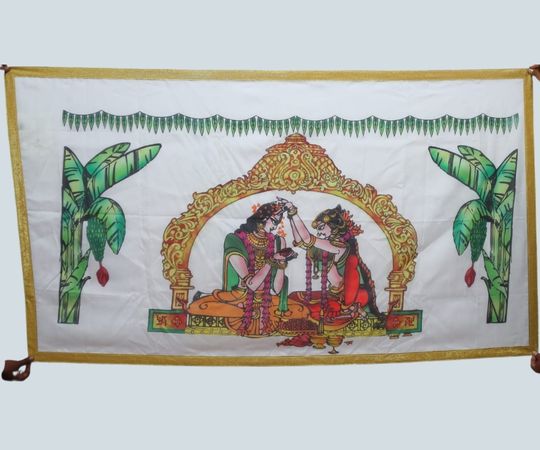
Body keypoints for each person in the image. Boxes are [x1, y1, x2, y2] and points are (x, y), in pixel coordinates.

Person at [188, 201, 308, 336]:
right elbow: (251, 285)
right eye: (274, 221)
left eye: (279, 221)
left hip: (267, 299)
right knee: (201, 307)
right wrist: (272, 260)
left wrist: (281, 261)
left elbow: (277, 289)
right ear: (262, 219)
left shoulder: (278, 242)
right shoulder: (234, 240)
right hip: (239, 297)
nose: (276, 226)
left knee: (300, 310)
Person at [283, 200, 385, 330]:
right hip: (335, 295)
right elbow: (300, 240)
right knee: (294, 297)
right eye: (317, 230)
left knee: (305, 308)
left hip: (352, 298)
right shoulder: (326, 246)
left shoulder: (339, 246)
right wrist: (291, 215)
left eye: (321, 228)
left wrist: (292, 210)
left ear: (333, 226)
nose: (319, 233)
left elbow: (307, 238)